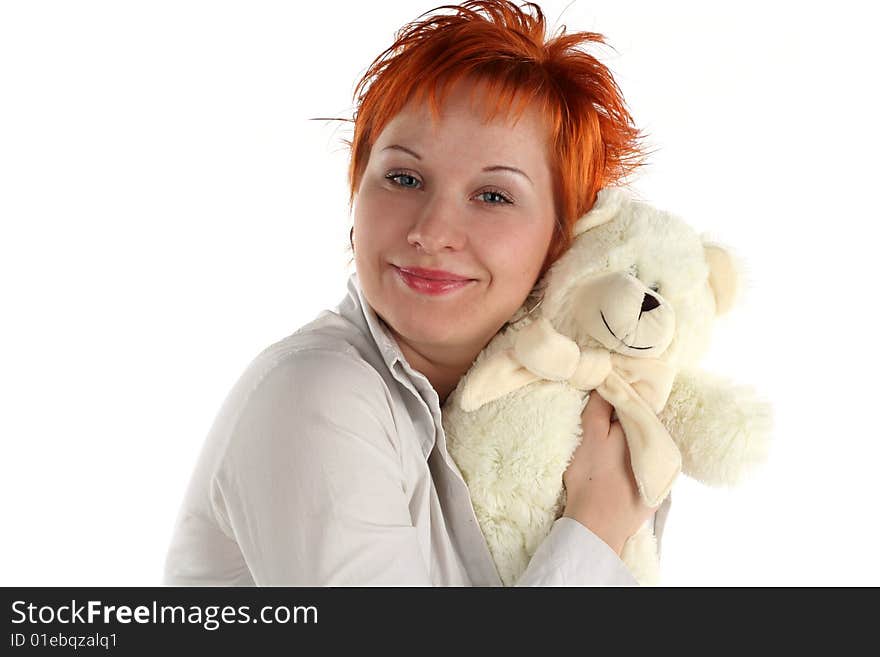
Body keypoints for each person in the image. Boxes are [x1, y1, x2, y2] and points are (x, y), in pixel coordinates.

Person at [163, 0, 671, 586]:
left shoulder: (565, 420)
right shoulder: (319, 396)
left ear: (562, 240)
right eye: (404, 179)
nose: (430, 232)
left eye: (493, 196)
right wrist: (595, 527)